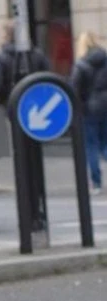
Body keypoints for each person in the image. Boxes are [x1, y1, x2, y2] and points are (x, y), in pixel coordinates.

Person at [72, 31, 107, 194]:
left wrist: (78, 107)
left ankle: (97, 183)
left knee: (91, 145)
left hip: (89, 108)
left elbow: (75, 88)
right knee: (105, 143)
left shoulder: (81, 64)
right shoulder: (105, 60)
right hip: (105, 105)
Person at [0, 20, 50, 107]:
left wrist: (3, 101)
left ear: (7, 36)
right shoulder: (38, 55)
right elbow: (47, 77)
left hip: (11, 103)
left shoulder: (0, 57)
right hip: (37, 101)